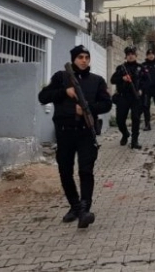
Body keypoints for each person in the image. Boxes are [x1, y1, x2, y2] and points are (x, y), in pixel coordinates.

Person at [38, 45, 112, 228]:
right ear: (73, 59)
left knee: (85, 171)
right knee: (65, 171)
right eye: (80, 57)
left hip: (86, 132)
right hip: (64, 132)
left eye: (87, 57)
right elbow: (43, 97)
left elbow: (107, 104)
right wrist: (64, 92)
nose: (84, 60)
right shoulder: (61, 78)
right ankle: (75, 206)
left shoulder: (97, 81)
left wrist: (88, 108)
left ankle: (85, 209)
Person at [111, 46, 149, 149]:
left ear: (136, 56)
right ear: (126, 56)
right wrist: (122, 78)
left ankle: (134, 141)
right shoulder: (121, 68)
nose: (130, 56)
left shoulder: (141, 68)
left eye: (132, 54)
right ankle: (125, 134)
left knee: (136, 119)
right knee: (120, 120)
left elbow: (147, 81)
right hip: (123, 97)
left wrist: (141, 89)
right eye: (128, 54)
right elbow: (112, 80)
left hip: (136, 97)